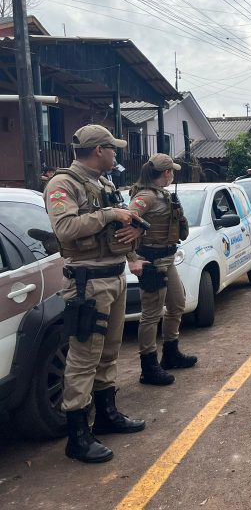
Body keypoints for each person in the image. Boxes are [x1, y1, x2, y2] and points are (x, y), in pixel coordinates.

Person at [44, 125, 147, 463]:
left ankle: (106, 415)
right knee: (84, 357)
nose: (117, 153)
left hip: (113, 275)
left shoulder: (103, 183)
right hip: (87, 282)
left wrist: (130, 244)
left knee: (109, 352)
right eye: (112, 148)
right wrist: (109, 214)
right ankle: (77, 435)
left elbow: (115, 227)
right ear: (98, 150)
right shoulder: (63, 184)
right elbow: (66, 228)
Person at [128, 154, 196, 386]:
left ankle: (170, 353)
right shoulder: (144, 197)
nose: (173, 175)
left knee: (177, 303)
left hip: (167, 257)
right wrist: (132, 257)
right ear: (166, 173)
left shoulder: (163, 194)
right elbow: (125, 223)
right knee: (151, 314)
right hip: (151, 260)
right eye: (171, 171)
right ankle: (148, 366)